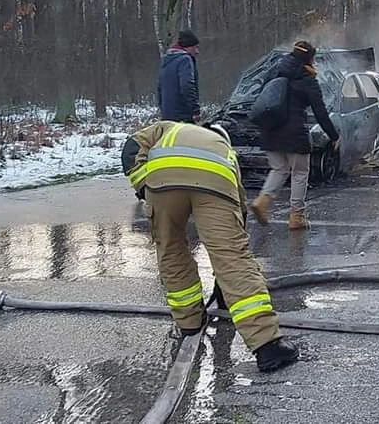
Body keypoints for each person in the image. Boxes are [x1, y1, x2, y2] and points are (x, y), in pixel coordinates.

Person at [122, 120, 298, 373]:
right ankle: (267, 346)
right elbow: (239, 215)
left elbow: (131, 147)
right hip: (214, 182)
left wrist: (143, 187)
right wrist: (226, 279)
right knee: (232, 256)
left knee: (172, 251)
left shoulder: (168, 128)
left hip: (163, 180)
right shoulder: (226, 153)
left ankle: (190, 323)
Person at [250, 41, 340, 230]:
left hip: (270, 130)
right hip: (294, 133)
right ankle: (296, 216)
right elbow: (320, 112)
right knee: (300, 172)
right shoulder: (307, 80)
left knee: (279, 169)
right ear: (309, 58)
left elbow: (260, 96)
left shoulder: (274, 72)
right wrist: (333, 135)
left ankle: (263, 200)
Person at [157, 30, 201, 123]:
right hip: (183, 116)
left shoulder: (166, 60)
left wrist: (164, 111)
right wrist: (195, 110)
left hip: (168, 116)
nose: (197, 52)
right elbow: (187, 85)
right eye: (195, 47)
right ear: (187, 47)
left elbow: (159, 89)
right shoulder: (185, 60)